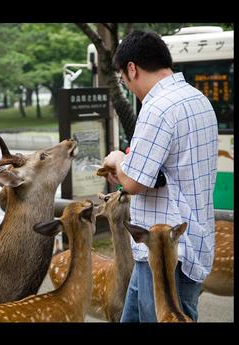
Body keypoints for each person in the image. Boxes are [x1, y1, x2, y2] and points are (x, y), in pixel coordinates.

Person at [102, 30, 218, 322]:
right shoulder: (198, 99)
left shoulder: (157, 108)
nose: (127, 86)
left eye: (123, 79)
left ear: (132, 68)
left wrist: (117, 159)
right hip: (194, 241)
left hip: (163, 254)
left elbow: (132, 182)